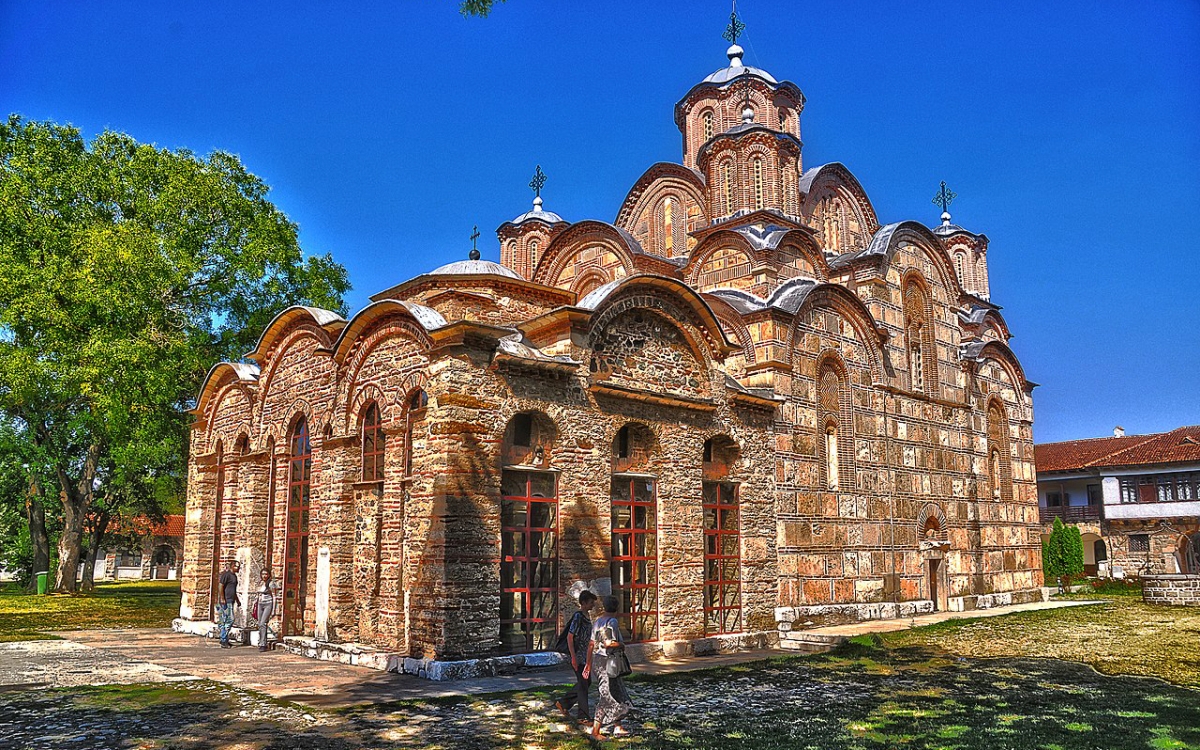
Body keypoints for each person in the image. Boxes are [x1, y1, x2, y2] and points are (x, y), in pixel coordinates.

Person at [584, 595, 632, 738]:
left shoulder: (598, 621)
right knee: (606, 696)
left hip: (598, 660)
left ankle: (618, 726)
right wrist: (621, 645)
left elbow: (591, 644)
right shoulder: (612, 622)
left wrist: (588, 663)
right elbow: (608, 643)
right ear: (616, 608)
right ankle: (595, 731)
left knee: (616, 691)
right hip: (608, 661)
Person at [554, 590, 598, 724]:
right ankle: (582, 716)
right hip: (577, 656)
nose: (593, 605)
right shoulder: (578, 617)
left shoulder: (586, 616)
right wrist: (573, 657)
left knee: (586, 682)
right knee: (583, 684)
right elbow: (570, 636)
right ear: (583, 603)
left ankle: (563, 703)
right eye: (591, 602)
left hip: (584, 655)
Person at [256, 568, 280, 652]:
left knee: (263, 623)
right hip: (260, 604)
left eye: (266, 574)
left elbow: (274, 596)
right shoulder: (260, 583)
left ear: (269, 575)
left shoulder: (271, 584)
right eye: (263, 574)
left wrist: (274, 609)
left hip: (268, 604)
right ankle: (261, 641)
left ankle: (263, 644)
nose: (264, 576)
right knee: (260, 624)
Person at [217, 560, 240, 648]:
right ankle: (223, 639)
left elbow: (233, 589)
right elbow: (221, 586)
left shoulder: (234, 576)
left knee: (227, 620)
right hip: (226, 601)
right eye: (237, 566)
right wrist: (222, 598)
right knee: (229, 620)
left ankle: (225, 639)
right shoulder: (226, 575)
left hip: (231, 600)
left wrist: (237, 600)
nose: (238, 568)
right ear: (232, 566)